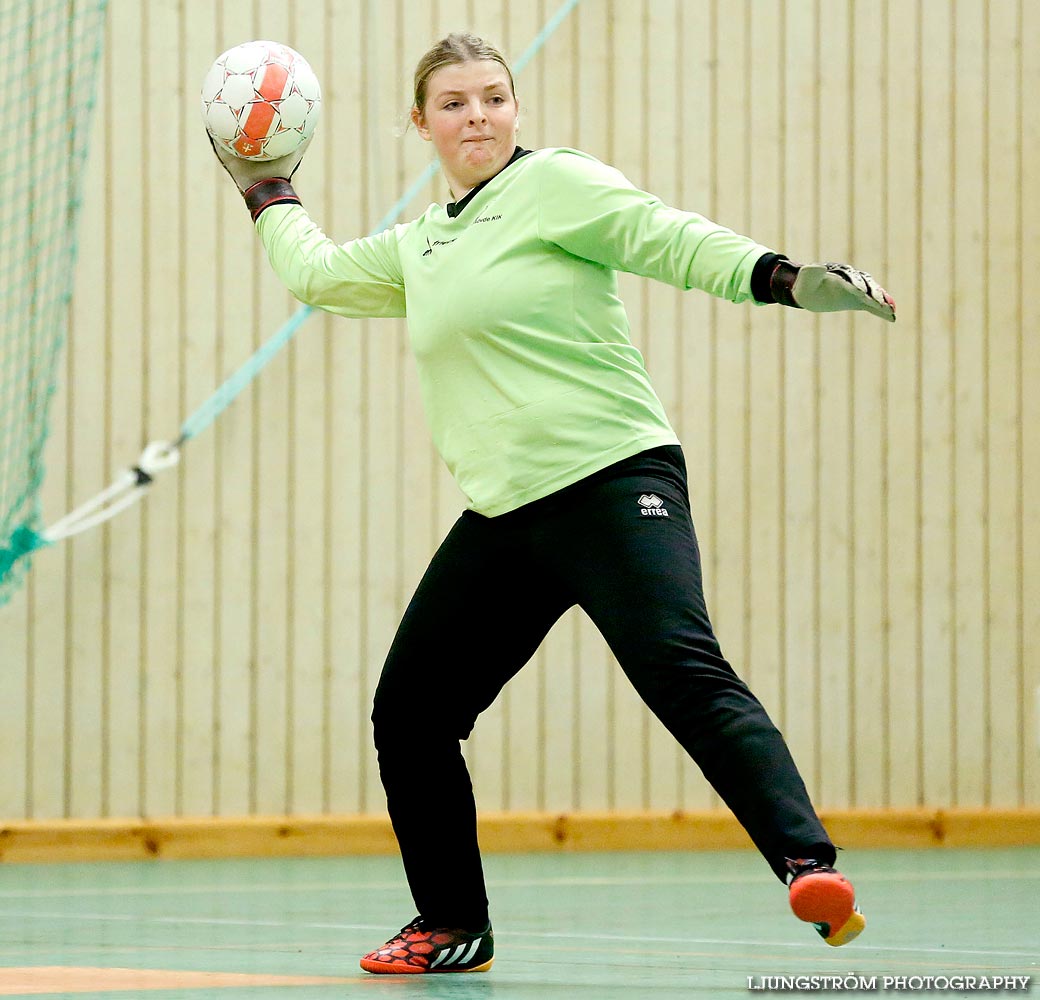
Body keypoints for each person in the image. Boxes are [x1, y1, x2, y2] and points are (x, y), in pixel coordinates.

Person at [210, 32, 895, 976]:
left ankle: (807, 867)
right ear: (421, 125)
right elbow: (319, 277)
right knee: (410, 712)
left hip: (614, 480)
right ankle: (452, 922)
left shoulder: (557, 184)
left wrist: (781, 278)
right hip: (507, 515)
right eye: (454, 103)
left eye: (494, 97)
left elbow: (667, 237)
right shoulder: (423, 245)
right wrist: (266, 187)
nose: (477, 116)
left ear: (515, 109)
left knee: (680, 668)